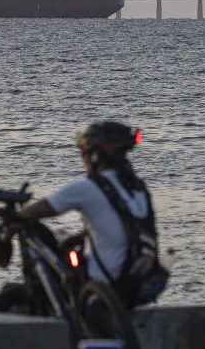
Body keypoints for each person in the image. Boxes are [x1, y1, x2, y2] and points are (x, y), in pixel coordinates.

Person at [18, 121, 163, 303]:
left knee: (48, 245)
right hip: (139, 282)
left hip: (105, 282)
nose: (82, 158)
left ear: (95, 156)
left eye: (83, 153)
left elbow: (43, 208)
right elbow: (120, 226)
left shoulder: (88, 188)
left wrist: (15, 215)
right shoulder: (138, 189)